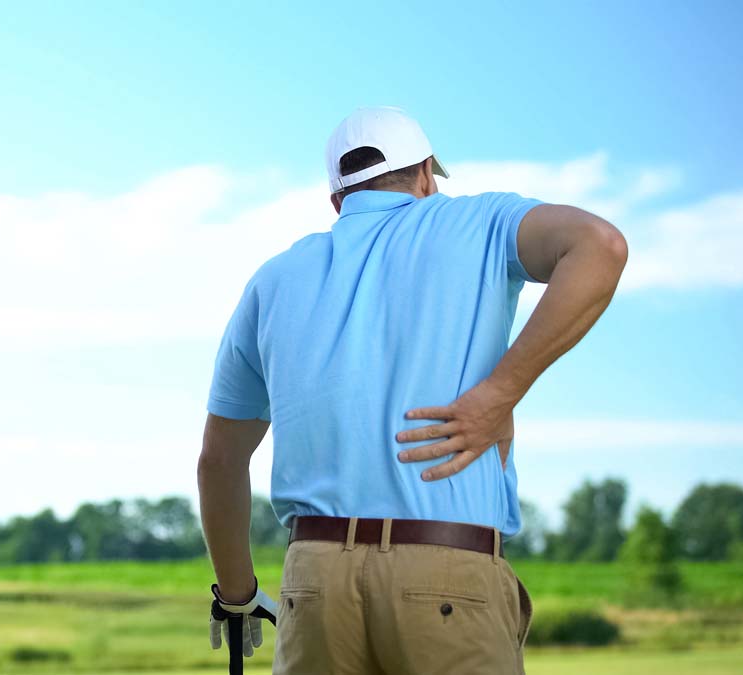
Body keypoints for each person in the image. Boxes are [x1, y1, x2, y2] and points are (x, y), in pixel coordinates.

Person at [197, 106, 628, 674]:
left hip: (315, 585)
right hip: (447, 577)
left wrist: (236, 593)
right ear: (425, 174)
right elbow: (601, 245)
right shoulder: (479, 221)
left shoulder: (273, 280)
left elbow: (220, 461)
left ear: (338, 201)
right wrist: (501, 393)